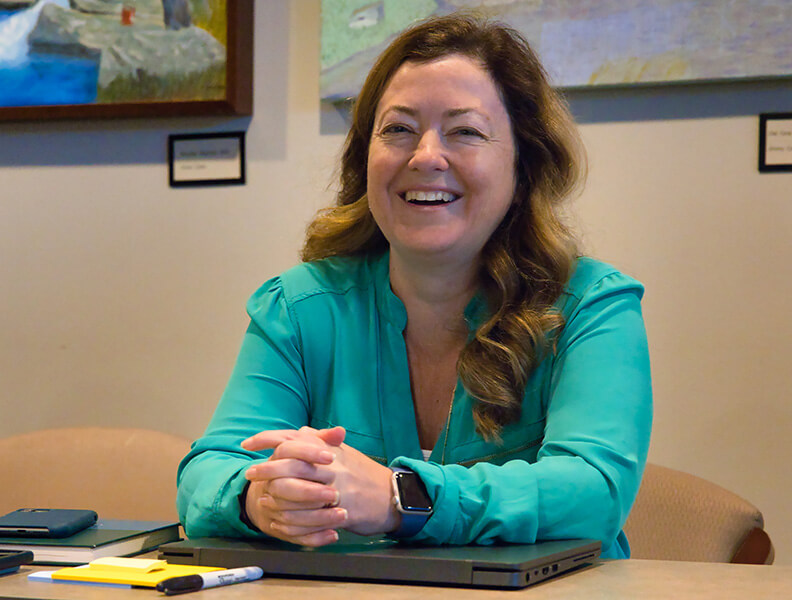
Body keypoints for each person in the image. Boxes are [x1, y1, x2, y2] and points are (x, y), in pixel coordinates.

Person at [176, 13, 652, 558]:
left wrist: (397, 496)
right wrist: (260, 500)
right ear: (366, 158)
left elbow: (595, 491)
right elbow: (206, 474)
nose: (425, 156)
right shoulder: (297, 307)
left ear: (524, 165)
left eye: (465, 131)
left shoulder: (592, 306)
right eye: (398, 129)